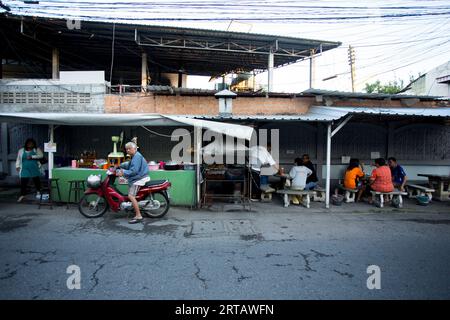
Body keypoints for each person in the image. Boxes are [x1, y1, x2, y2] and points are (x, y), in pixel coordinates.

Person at [117, 142, 150, 224]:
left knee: (131, 196)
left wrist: (123, 172)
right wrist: (120, 165)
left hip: (139, 178)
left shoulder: (137, 157)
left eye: (129, 148)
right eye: (126, 149)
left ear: (135, 149)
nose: (128, 150)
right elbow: (129, 165)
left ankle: (138, 216)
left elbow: (134, 171)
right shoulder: (135, 156)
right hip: (139, 176)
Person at [16, 138, 43, 203]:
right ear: (26, 144)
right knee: (23, 181)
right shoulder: (21, 150)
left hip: (34, 167)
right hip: (24, 168)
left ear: (34, 144)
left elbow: (41, 156)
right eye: (29, 143)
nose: (30, 144)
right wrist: (17, 166)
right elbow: (18, 159)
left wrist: (32, 157)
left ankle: (38, 191)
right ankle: (22, 195)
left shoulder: (36, 149)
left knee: (36, 180)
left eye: (31, 143)